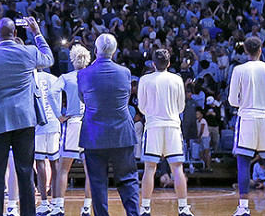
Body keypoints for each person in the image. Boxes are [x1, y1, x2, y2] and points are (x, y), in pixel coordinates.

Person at [0, 17, 53, 216]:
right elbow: (49, 58)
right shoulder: (29, 52)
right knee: (25, 172)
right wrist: (37, 33)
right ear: (16, 34)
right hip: (25, 121)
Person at [78, 34, 139, 216]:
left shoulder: (83, 73)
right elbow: (126, 98)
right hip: (121, 133)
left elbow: (83, 98)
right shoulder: (125, 72)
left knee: (97, 182)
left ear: (95, 51)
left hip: (94, 135)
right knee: (128, 180)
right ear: (114, 51)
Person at [229, 36, 265, 216]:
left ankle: (243, 208)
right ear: (261, 50)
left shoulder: (239, 69)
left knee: (243, 163)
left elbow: (231, 100)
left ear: (245, 51)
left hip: (247, 118)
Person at [136, 48, 192, 216]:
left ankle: (145, 207)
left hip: (153, 126)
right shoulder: (177, 79)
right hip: (172, 126)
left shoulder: (145, 79)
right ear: (169, 63)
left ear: (153, 64)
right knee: (177, 168)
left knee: (149, 168)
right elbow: (181, 106)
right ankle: (183, 208)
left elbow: (141, 107)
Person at [54, 45, 91, 216]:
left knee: (63, 168)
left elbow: (51, 93)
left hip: (72, 122)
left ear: (72, 59)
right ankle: (87, 206)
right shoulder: (92, 76)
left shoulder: (66, 77)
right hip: (90, 123)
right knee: (90, 168)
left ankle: (59, 206)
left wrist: (58, 114)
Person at [34, 66, 62, 216]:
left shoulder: (32, 79)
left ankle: (44, 202)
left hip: (39, 124)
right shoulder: (55, 79)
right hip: (54, 123)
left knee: (40, 163)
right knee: (55, 163)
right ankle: (57, 202)